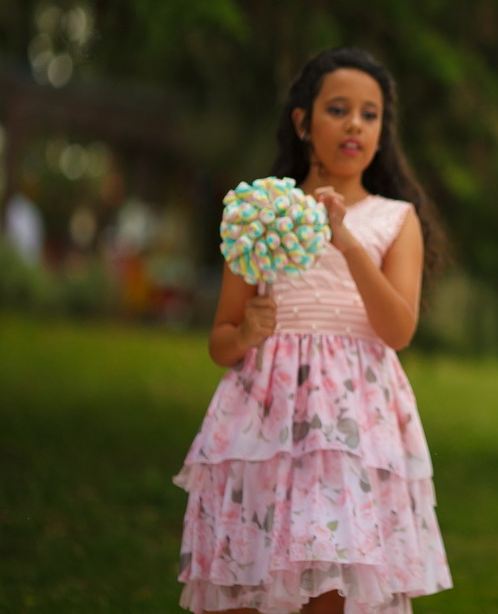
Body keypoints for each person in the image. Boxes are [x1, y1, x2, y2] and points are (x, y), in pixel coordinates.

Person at [175, 48, 452, 614]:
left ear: (381, 132)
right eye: (338, 109)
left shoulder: (395, 219)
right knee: (247, 578)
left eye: (370, 115)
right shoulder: (261, 212)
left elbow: (398, 330)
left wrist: (345, 241)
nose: (355, 125)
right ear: (303, 122)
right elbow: (221, 340)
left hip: (352, 424)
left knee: (331, 584)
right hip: (264, 420)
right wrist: (246, 333)